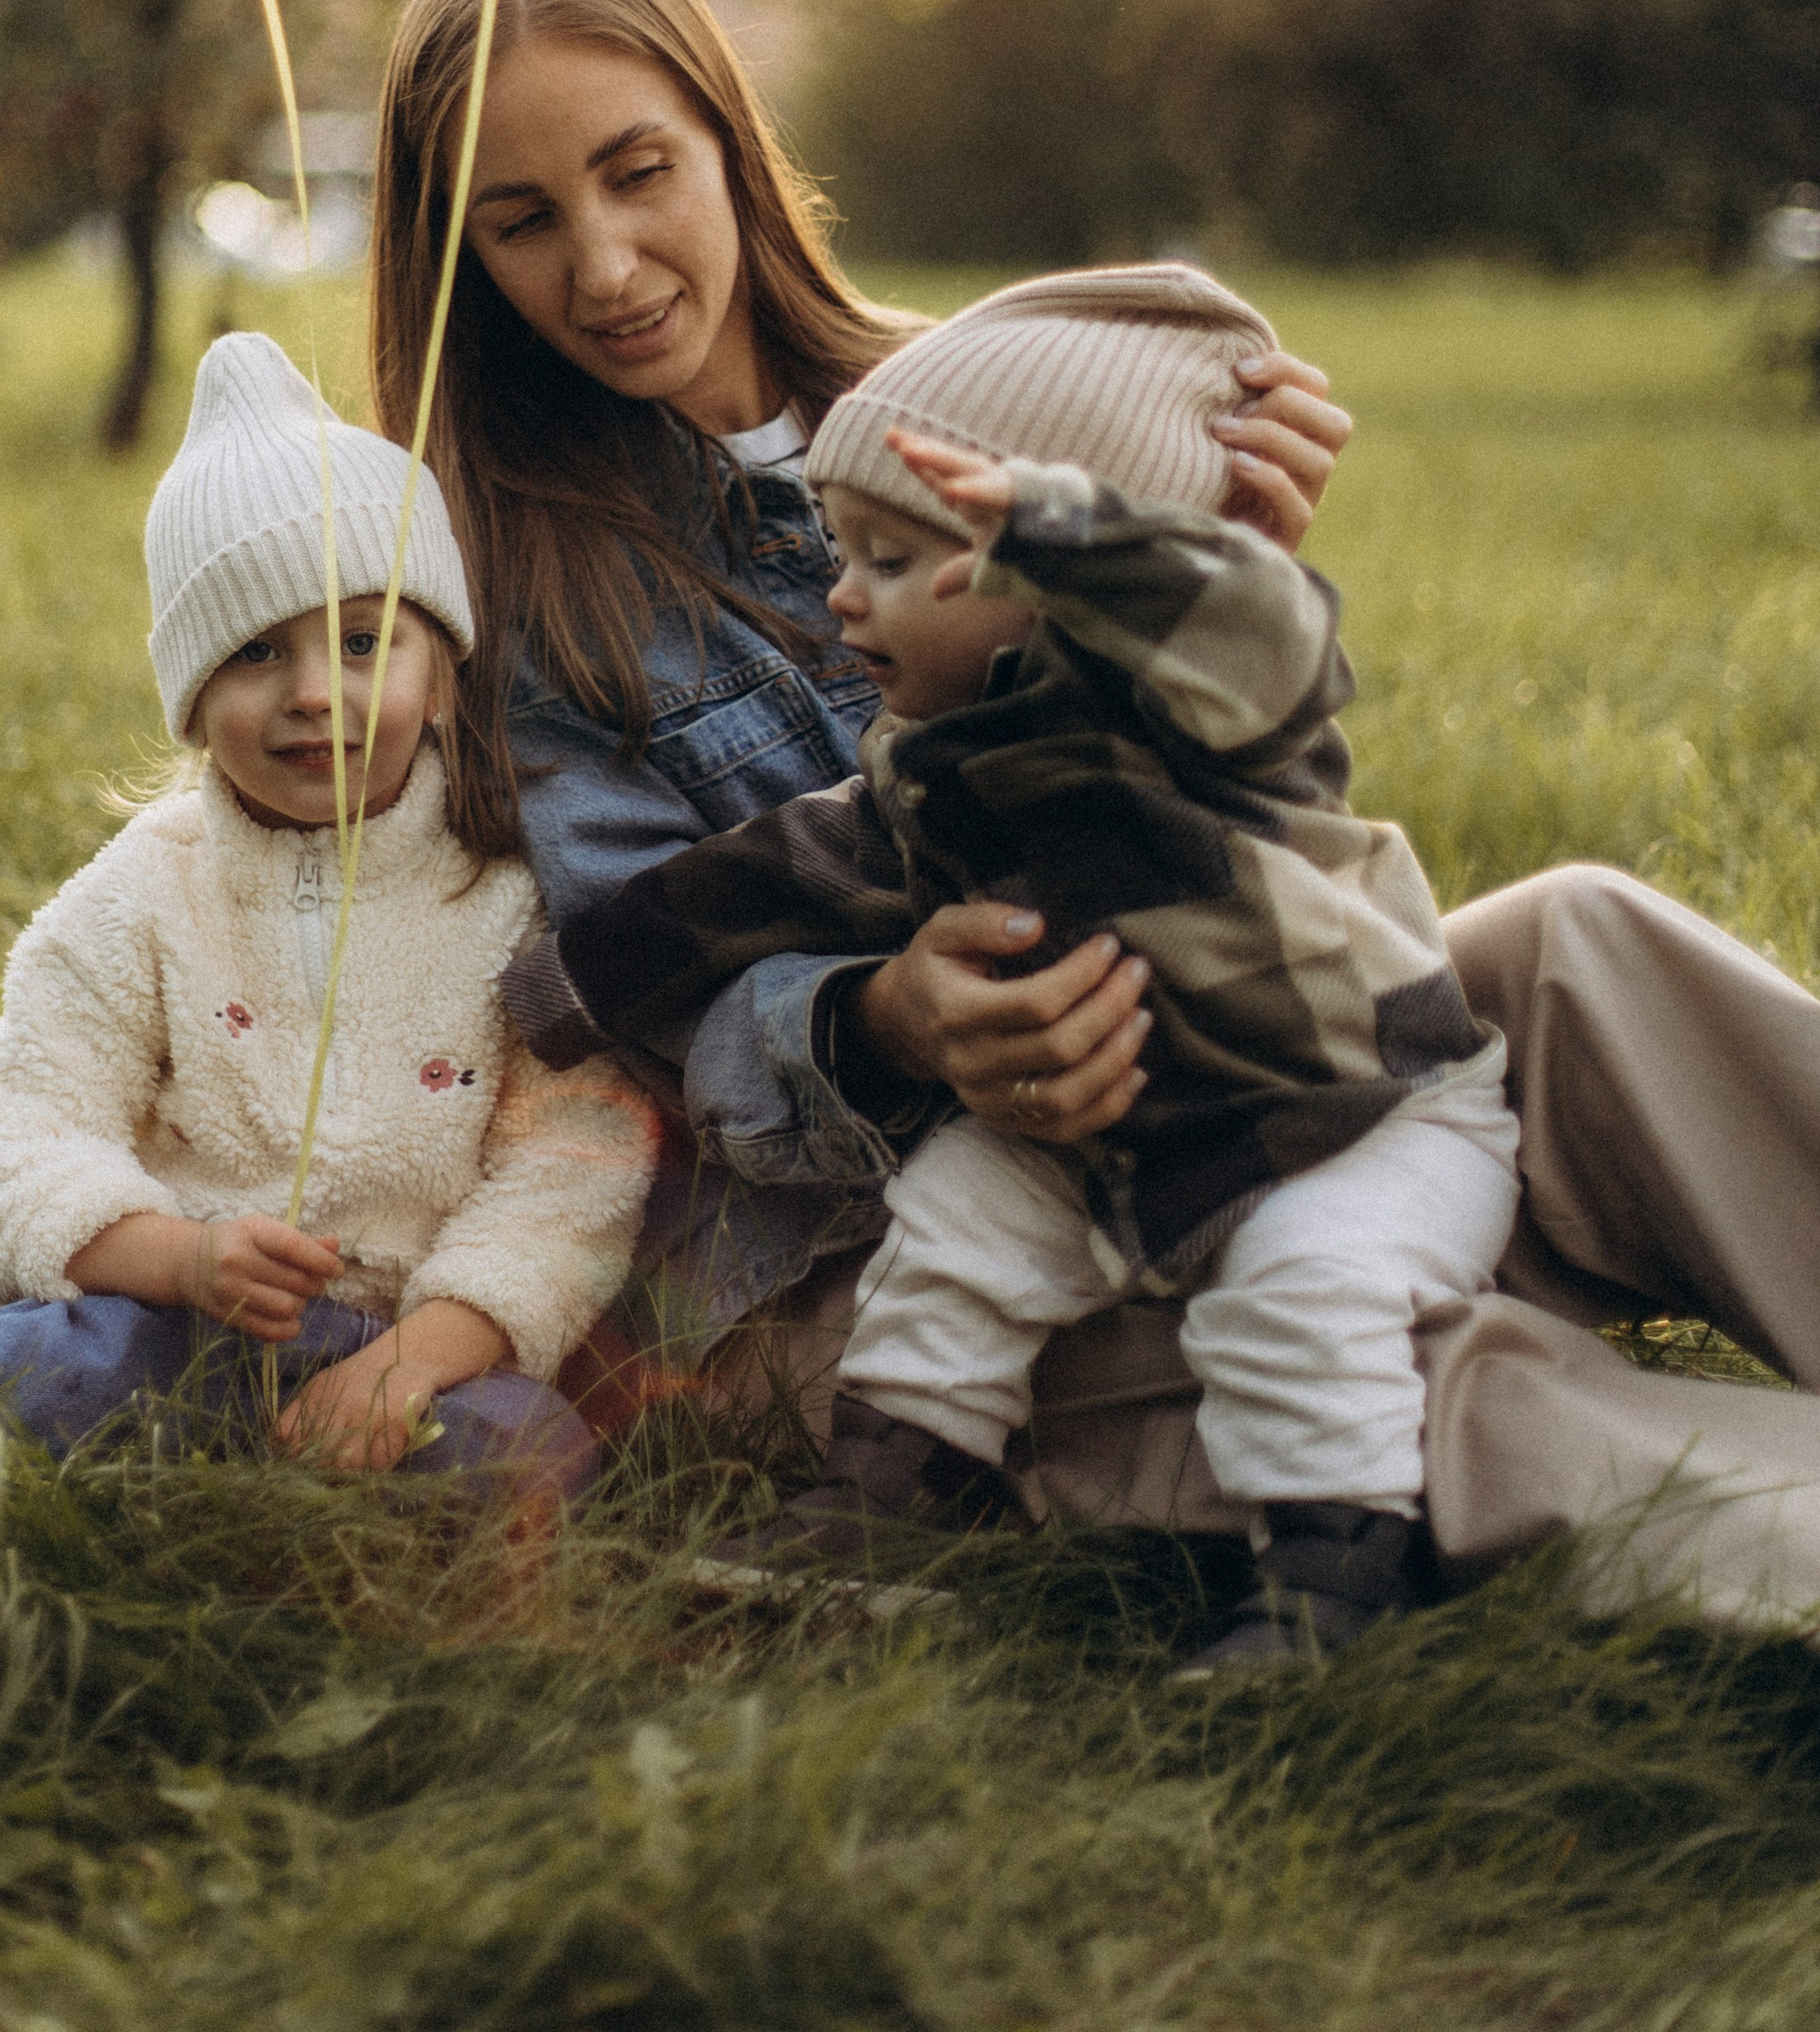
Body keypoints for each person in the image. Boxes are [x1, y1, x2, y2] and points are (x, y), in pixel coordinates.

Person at [369, 0, 1820, 1643]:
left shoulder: (993, 397)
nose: (601, 264)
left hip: (1227, 1047)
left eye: (636, 172)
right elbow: (625, 1006)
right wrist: (880, 1018)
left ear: (724, 143)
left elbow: (1224, 768)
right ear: (457, 255)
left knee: (1581, 944)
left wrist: (1221, 565)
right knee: (1365, 1369)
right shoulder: (502, 587)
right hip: (890, 1248)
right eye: (521, 223)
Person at [509, 267, 1520, 1664]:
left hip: (1349, 1114)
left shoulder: (1200, 706)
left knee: (1301, 1292)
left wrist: (1070, 532)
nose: (844, 601)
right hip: (1102, 1137)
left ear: (1062, 587)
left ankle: (1334, 1574)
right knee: (959, 1220)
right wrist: (578, 990)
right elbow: (767, 876)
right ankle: (901, 1486)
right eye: (839, 552)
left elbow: (1269, 630)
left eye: (896, 560)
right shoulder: (930, 771)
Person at [0, 337, 656, 1616]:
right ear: (192, 699)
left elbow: (574, 1174)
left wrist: (425, 1353)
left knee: (531, 1449)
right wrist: (175, 1257)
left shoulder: (512, 898)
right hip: (174, 1326)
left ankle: (275, 1574)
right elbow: (6, 1134)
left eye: (365, 643)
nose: (316, 695)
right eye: (256, 655)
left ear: (442, 670)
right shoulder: (146, 894)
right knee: (39, 1362)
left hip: (422, 1354)